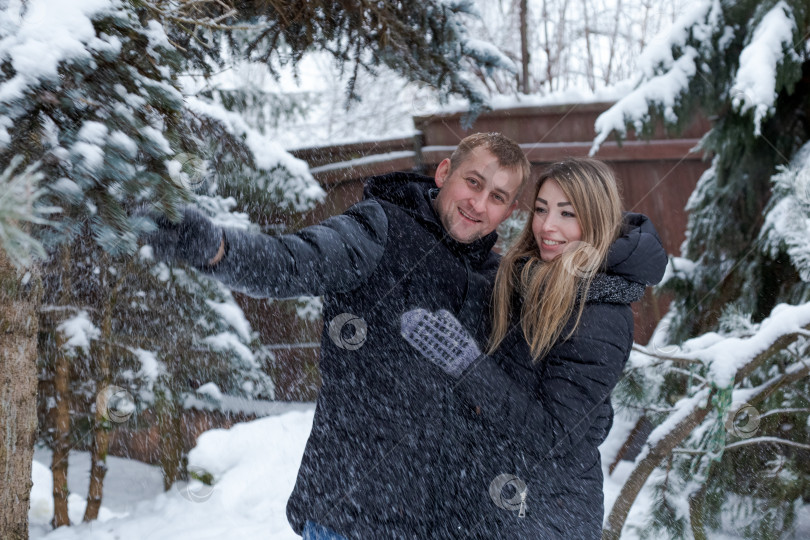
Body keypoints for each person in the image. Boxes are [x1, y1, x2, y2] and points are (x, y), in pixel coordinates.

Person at [140, 133, 533, 539]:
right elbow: (294, 260)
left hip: (441, 526)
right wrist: (219, 249)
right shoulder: (380, 228)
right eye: (473, 182)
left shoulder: (498, 283)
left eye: (498, 196)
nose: (479, 204)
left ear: (510, 210)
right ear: (445, 171)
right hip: (352, 516)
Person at [401, 157, 667, 538]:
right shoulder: (528, 279)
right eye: (541, 209)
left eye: (566, 213)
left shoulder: (600, 314)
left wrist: (468, 366)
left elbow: (554, 435)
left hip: (543, 516)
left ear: (595, 220)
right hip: (491, 505)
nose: (547, 226)